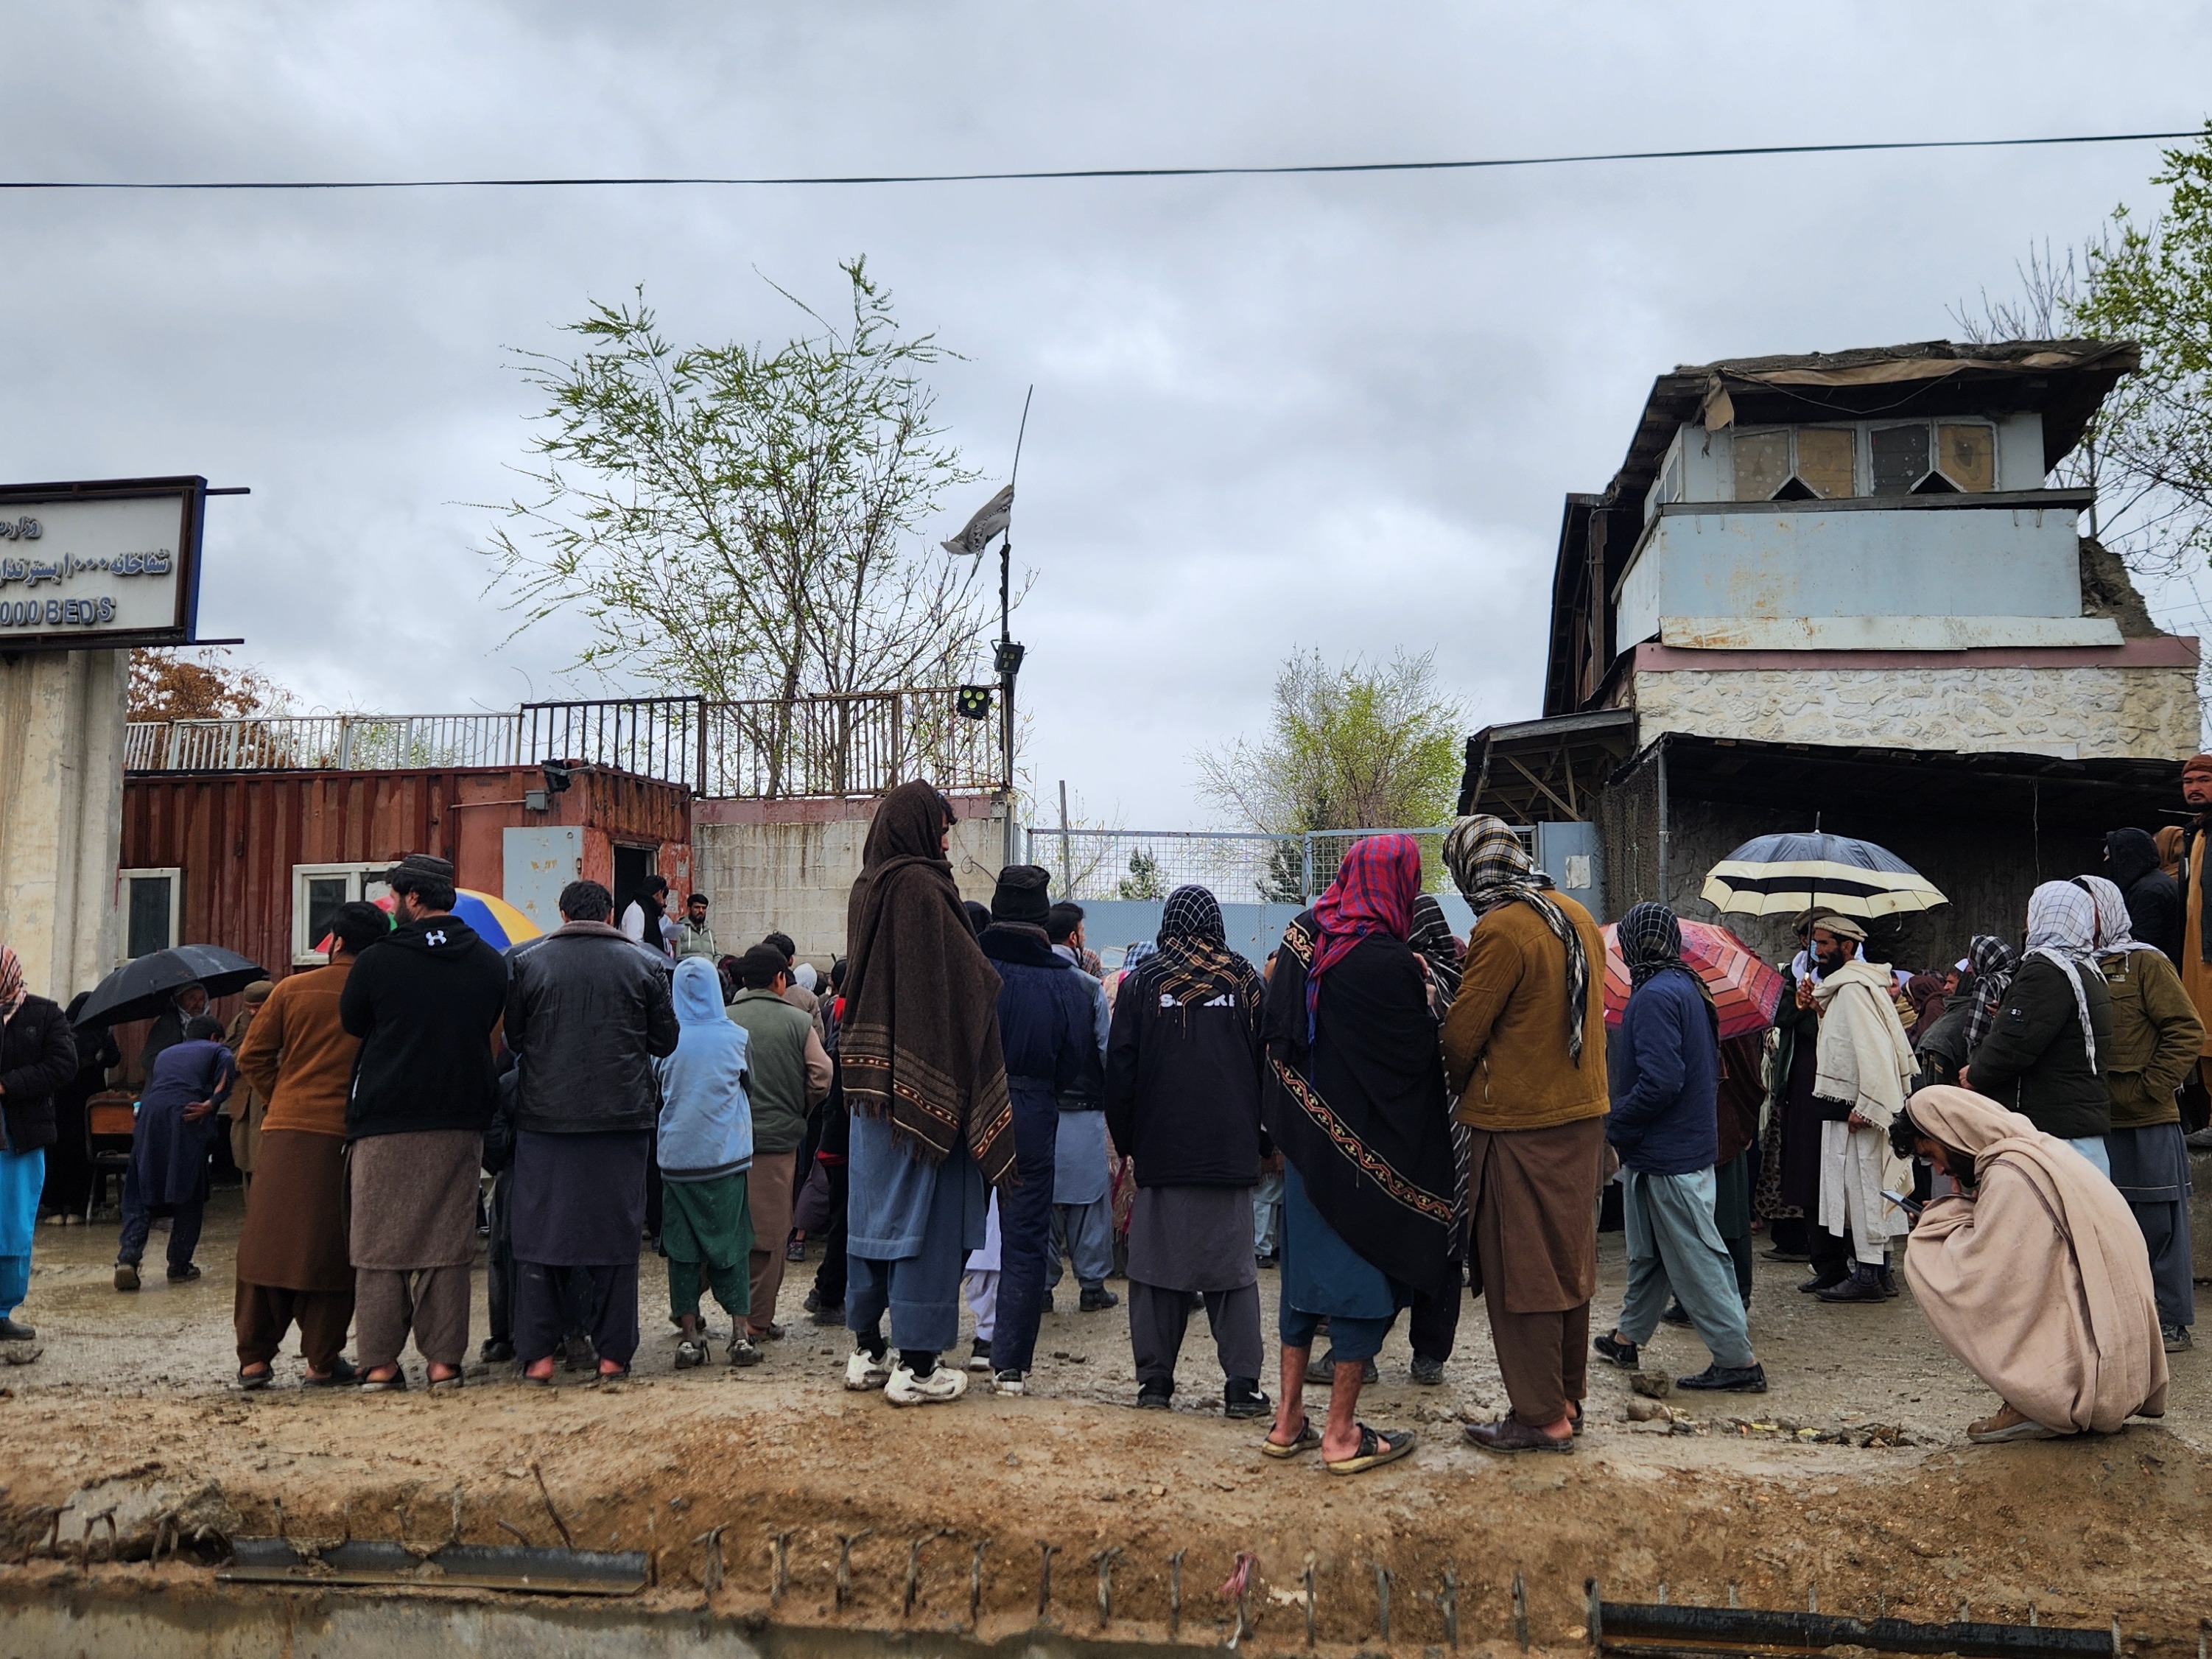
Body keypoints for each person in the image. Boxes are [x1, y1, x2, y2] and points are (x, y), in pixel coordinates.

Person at [1263, 835, 1453, 1473]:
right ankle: (1341, 1432)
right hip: (1367, 1167)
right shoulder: (1389, 962)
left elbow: (1278, 1040)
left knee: (1301, 1288)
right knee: (1358, 1287)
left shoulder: (1299, 938)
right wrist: (1424, 1000)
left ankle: (1287, 1419)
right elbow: (1413, 1065)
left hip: (1305, 1154)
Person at [840, 781, 1014, 1406]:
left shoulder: (869, 885)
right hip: (920, 1091)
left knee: (871, 1220)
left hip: (870, 1087)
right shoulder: (920, 886)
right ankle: (916, 1367)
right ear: (916, 827)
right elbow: (966, 979)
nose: (945, 840)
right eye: (941, 828)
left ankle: (867, 1350)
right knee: (924, 1225)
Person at [1441, 816, 1609, 1455]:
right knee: (1569, 1266)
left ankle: (1540, 1416)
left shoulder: (1502, 928)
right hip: (1582, 1121)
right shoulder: (1576, 916)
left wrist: (1455, 1081)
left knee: (1523, 1273)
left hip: (1520, 1127)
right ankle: (1566, 1396)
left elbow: (1462, 1034)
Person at [1898, 1085, 2168, 1442]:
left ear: (1952, 1133)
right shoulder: (2038, 1147)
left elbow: (1992, 1279)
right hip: (2122, 1354)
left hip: (2095, 1365)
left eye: (1931, 1152)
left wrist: (1939, 1220)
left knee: (1926, 1256)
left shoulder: (2012, 1173)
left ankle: (2040, 1402)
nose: (1937, 1165)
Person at [339, 852, 508, 1392]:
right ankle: (443, 1363)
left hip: (386, 1118)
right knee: (447, 1244)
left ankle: (381, 1364)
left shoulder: (378, 960)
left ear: (413, 898)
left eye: (392, 898)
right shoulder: (487, 960)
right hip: (460, 1116)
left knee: (379, 1244)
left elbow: (353, 1021)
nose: (389, 908)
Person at [506, 878, 681, 1385]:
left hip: (545, 1119)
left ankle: (538, 1357)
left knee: (540, 1236)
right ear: (609, 914)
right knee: (615, 1237)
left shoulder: (527, 963)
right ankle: (613, 1358)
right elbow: (666, 1040)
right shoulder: (645, 963)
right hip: (621, 1119)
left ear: (562, 913)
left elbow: (515, 1037)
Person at [1105, 885, 1271, 1417]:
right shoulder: (1245, 980)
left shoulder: (1143, 982)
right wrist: (1263, 1142)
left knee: (1155, 1272)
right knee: (1233, 1274)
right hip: (1230, 1149)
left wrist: (1130, 1142)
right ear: (1216, 923)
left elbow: (1121, 1071)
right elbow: (1270, 1068)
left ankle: (1154, 1384)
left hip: (1162, 1147)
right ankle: (1242, 1388)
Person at [1593, 904, 1765, 1391]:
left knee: (1697, 1258)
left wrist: (1614, 1119)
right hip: (1678, 1148)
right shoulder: (1689, 986)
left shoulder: (1650, 996)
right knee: (1649, 1252)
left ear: (1630, 945)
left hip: (1669, 1153)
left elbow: (1661, 1082)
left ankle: (1737, 1363)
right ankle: (1627, 1338)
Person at [231, 903, 384, 1388]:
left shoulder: (291, 991)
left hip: (284, 1131)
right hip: (347, 1133)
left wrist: (283, 1098)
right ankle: (322, 1361)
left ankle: (254, 1359)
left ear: (334, 940)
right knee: (332, 1246)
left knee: (266, 1242)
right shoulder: (378, 997)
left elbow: (251, 1056)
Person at [977, 866, 1100, 1396]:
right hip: (1031, 1111)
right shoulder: (1068, 984)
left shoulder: (970, 967)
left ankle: (923, 1351)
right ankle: (1009, 1366)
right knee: (1025, 1239)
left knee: (948, 1223)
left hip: (968, 1105)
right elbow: (1075, 1064)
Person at [2079, 874, 2202, 1351]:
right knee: (2107, 1227)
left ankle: (2170, 1321)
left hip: (2147, 1121)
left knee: (2159, 1225)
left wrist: (2152, 1087)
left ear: (2106, 910)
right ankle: (2121, 1317)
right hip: (2095, 1122)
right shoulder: (2072, 969)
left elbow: (2186, 1030)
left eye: (2086, 908)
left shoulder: (2144, 963)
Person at [1799, 915, 1917, 1304]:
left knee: (1866, 1188)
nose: (1817, 952)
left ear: (1847, 947)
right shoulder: (1848, 987)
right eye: (1816, 944)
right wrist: (1817, 1008)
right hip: (1848, 1106)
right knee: (1866, 1189)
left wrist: (1867, 1106)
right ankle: (1879, 1271)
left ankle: (1868, 1274)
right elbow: (1842, 1043)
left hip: (1857, 1110)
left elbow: (1874, 1051)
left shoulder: (1853, 989)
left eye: (1825, 944)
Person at [1963, 882, 2115, 1176]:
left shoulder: (2046, 969)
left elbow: (2016, 1041)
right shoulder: (2086, 968)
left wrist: (1975, 1073)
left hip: (2053, 1130)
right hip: (2077, 1124)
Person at [725, 944, 832, 1347]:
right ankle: (758, 1322)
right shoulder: (796, 1021)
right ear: (780, 979)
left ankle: (688, 1309)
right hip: (775, 1142)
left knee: (719, 1225)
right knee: (770, 1237)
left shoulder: (726, 1018)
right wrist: (800, 1106)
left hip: (726, 1143)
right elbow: (821, 1074)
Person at [657, 955, 757, 1369]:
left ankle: (689, 1338)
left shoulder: (664, 1039)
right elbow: (750, 1084)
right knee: (732, 1244)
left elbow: (657, 1089)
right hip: (725, 1158)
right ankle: (740, 1335)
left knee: (683, 1250)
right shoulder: (737, 1036)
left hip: (678, 1160)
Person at [115, 1015, 233, 1289]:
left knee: (141, 1185)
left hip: (149, 1114)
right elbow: (225, 1079)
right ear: (215, 1037)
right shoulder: (219, 1051)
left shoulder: (166, 1053)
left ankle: (128, 1259)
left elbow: (155, 1085)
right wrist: (211, 1104)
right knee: (191, 1188)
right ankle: (179, 1265)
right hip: (185, 1115)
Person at [1405, 893, 1469, 1385]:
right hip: (1460, 1127)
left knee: (1399, 1230)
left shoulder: (1412, 978)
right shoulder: (1466, 982)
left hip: (1415, 1127)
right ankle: (1431, 1355)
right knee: (1448, 1239)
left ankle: (1358, 1352)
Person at [1, 946, 76, 1342]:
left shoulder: (45, 1014)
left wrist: (8, 1085)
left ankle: (2, 1311)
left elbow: (63, 1065)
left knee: (12, 1225)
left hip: (20, 1138)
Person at [1046, 900, 1117, 1314]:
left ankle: (1041, 1288)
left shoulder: (1026, 980)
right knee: (1089, 1203)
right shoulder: (1090, 989)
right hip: (1085, 1111)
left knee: (1045, 1203)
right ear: (1073, 937)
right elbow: (1107, 1051)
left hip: (1039, 1112)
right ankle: (1092, 1287)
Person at [41, 994, 115, 1224]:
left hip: (59, 1099)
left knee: (57, 1149)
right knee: (84, 1151)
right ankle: (78, 1208)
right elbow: (114, 1059)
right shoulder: (99, 1031)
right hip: (89, 1099)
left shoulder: (59, 1030)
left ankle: (54, 1209)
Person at [224, 981, 274, 1191]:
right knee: (246, 1158)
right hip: (245, 1101)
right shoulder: (241, 1023)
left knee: (269, 1160)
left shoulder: (284, 1017)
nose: (253, 1012)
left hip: (271, 1099)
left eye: (258, 1007)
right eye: (249, 1007)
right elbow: (228, 1060)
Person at [2107, 827, 2182, 967]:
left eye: (2113, 854)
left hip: (2157, 972)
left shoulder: (2149, 890)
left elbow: (2143, 943)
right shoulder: (2152, 882)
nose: (2108, 860)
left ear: (2126, 856)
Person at [138, 981, 208, 1078]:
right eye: (192, 998)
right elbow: (147, 1060)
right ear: (179, 1000)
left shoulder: (204, 1025)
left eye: (202, 999)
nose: (198, 1004)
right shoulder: (167, 1024)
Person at [619, 875, 675, 958]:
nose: (663, 901)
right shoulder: (636, 910)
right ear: (659, 893)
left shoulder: (649, 911)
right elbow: (635, 944)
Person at [672, 893, 719, 961]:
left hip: (709, 970)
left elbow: (718, 954)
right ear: (689, 909)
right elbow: (677, 957)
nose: (701, 911)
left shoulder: (710, 932)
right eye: (697, 907)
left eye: (704, 908)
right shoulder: (679, 930)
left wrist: (714, 966)